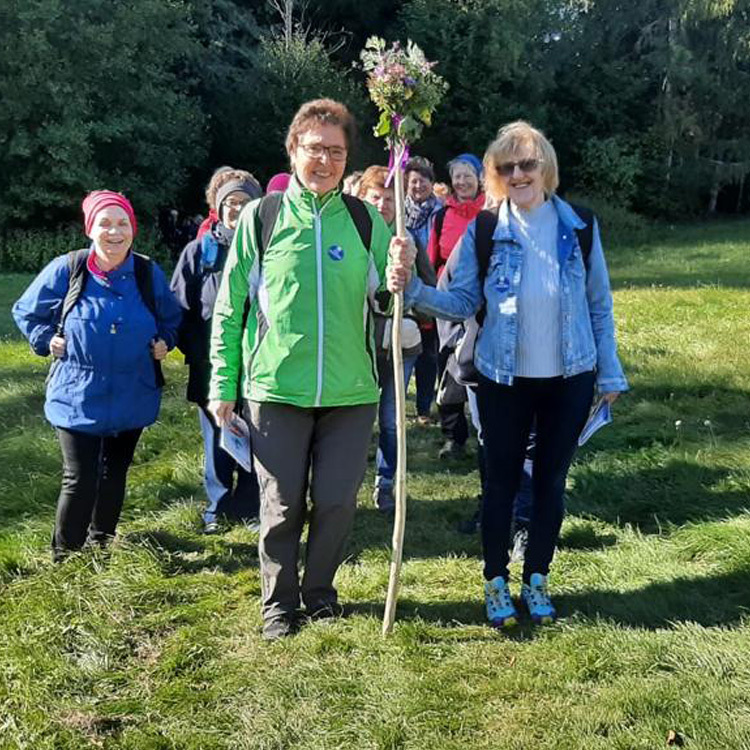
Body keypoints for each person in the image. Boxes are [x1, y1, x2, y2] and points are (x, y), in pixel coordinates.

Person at [388, 121, 627, 628]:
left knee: (549, 484)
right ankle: (495, 581)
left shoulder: (580, 226)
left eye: (527, 164)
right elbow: (461, 301)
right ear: (495, 174)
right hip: (502, 379)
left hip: (570, 376)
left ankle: (536, 577)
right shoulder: (484, 229)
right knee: (498, 483)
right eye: (507, 166)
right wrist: (410, 291)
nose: (518, 173)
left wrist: (610, 373)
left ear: (546, 168)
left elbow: (598, 306)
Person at [208, 99, 395, 640]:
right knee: (282, 504)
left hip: (351, 390)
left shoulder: (362, 220)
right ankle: (278, 604)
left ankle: (319, 594)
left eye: (336, 152)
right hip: (276, 389)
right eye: (315, 148)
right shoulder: (262, 219)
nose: (325, 160)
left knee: (336, 502)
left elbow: (388, 292)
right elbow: (230, 307)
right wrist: (224, 385)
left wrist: (399, 271)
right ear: (294, 150)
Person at [12, 190, 182, 561]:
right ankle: (66, 557)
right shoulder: (68, 268)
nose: (114, 232)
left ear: (132, 229)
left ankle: (101, 542)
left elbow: (172, 318)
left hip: (132, 391)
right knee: (79, 477)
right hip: (77, 392)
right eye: (105, 223)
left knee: (113, 473)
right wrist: (46, 339)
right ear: (91, 229)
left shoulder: (145, 272)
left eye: (123, 223)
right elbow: (26, 311)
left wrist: (164, 342)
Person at [171, 170, 263, 534]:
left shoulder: (269, 249)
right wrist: (197, 353)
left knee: (258, 436)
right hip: (211, 365)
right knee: (217, 437)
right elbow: (180, 309)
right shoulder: (199, 252)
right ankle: (218, 509)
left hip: (260, 363)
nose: (237, 210)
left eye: (245, 203)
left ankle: (253, 506)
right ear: (218, 207)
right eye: (230, 203)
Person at [357, 166, 436, 512]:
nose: (383, 204)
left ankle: (385, 484)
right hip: (357, 346)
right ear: (362, 198)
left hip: (400, 345)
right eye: (376, 197)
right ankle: (343, 484)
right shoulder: (349, 238)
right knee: (354, 420)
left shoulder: (407, 241)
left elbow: (427, 293)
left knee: (390, 420)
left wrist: (409, 296)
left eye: (390, 198)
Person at [427, 153, 485, 460]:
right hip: (447, 302)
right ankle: (453, 437)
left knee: (478, 365)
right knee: (448, 365)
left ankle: (487, 432)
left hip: (482, 303)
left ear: (480, 178)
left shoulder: (491, 212)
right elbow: (431, 259)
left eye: (468, 175)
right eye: (457, 176)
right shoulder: (441, 215)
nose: (462, 182)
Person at [404, 156, 443, 425]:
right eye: (413, 181)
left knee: (429, 353)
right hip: (405, 288)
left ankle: (423, 408)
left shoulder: (440, 213)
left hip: (432, 287)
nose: (417, 186)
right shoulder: (398, 210)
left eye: (422, 180)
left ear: (432, 182)